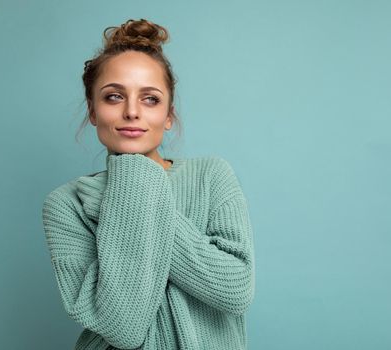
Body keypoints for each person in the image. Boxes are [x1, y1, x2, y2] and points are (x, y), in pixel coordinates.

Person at [41, 18, 255, 350]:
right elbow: (122, 326)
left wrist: (121, 204)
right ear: (93, 111)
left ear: (169, 115)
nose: (131, 112)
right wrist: (132, 182)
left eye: (150, 99)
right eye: (113, 97)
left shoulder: (211, 175)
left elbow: (234, 289)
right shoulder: (66, 204)